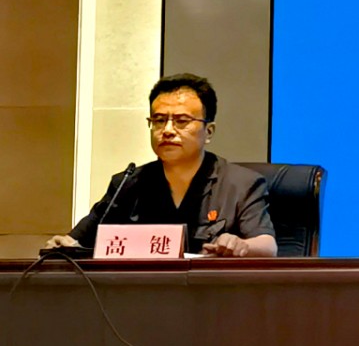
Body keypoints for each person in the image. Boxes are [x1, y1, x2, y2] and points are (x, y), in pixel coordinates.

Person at [48, 74, 277, 257]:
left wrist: (242, 245)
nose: (167, 130)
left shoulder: (241, 184)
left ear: (208, 131)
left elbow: (267, 245)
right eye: (158, 121)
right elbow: (77, 241)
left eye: (181, 121)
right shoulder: (127, 184)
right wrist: (63, 245)